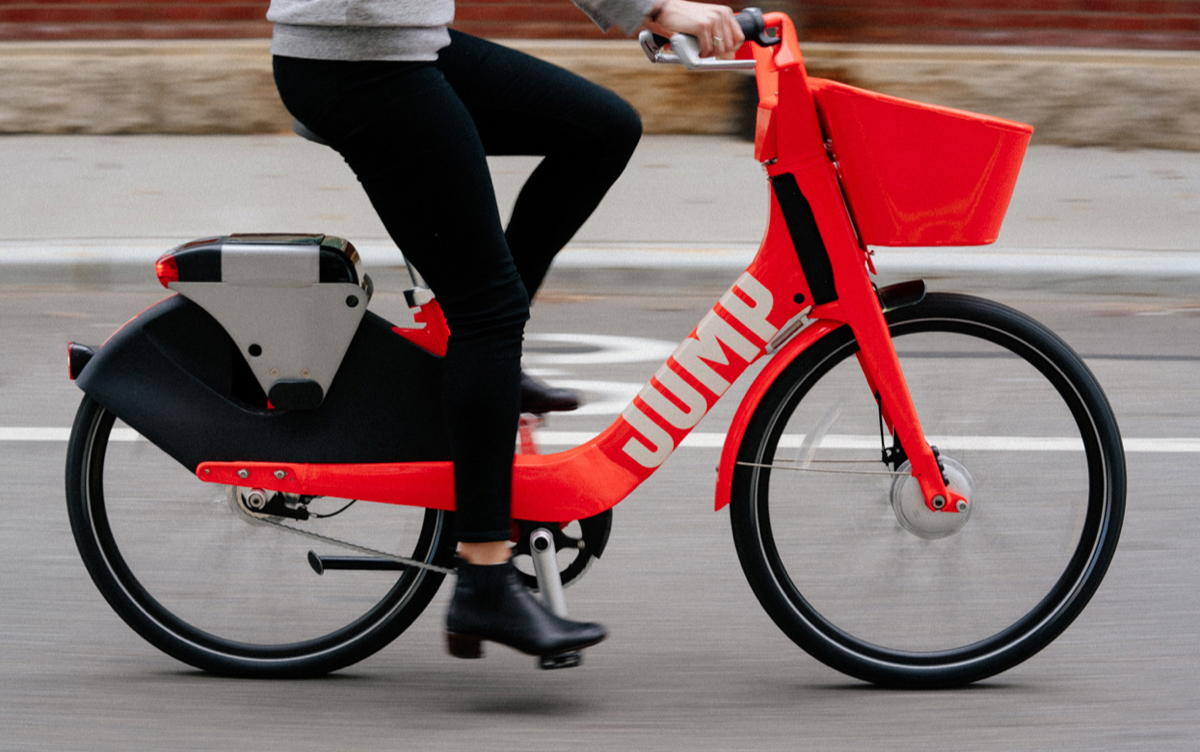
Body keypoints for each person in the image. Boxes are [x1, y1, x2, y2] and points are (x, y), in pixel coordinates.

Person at [267, 0, 745, 662]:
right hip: (359, 60)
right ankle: (484, 580)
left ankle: (485, 366)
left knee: (602, 128)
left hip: (400, 42)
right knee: (486, 311)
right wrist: (655, 7)